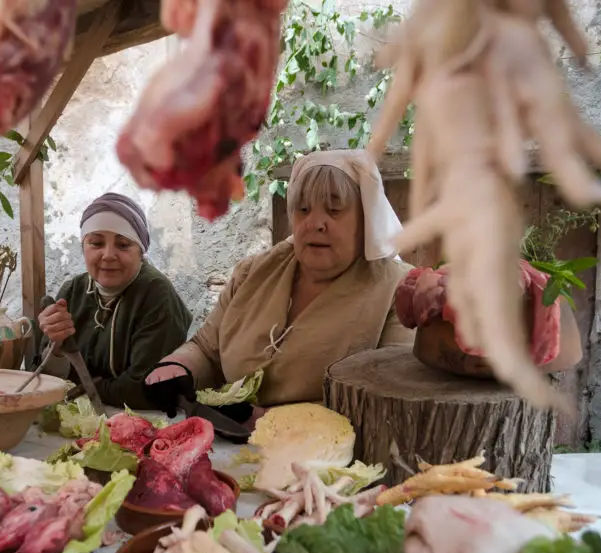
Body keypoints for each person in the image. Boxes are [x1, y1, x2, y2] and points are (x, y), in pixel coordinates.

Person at [143, 150, 415, 419]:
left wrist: (264, 419)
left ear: (365, 218)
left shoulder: (397, 291)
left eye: (334, 210)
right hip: (230, 448)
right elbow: (206, 349)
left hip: (328, 456)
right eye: (303, 209)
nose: (315, 223)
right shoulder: (253, 274)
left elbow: (390, 400)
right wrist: (178, 366)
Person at [37, 192, 192, 409]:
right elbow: (45, 378)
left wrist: (79, 387)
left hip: (146, 421)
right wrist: (56, 348)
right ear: (83, 247)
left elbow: (144, 389)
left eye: (123, 245)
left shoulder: (156, 295)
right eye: (97, 243)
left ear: (141, 250)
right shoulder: (73, 291)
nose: (108, 255)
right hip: (80, 415)